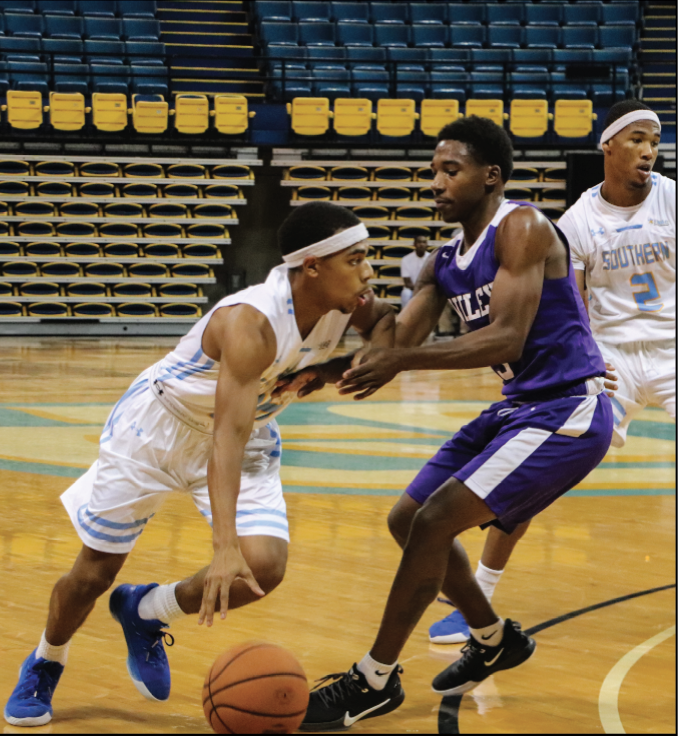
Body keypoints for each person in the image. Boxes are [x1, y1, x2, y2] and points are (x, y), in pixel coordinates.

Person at [3, 201, 395, 728]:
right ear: (312, 267)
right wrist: (223, 545)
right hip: (159, 430)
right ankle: (46, 660)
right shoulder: (250, 322)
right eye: (356, 259)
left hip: (249, 428)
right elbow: (224, 436)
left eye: (366, 258)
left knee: (264, 568)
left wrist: (351, 366)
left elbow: (389, 325)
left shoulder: (351, 301)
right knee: (94, 571)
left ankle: (146, 609)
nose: (368, 271)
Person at [299, 116, 613, 732]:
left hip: (566, 409)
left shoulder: (520, 227)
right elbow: (395, 343)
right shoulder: (444, 260)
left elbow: (505, 335)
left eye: (451, 170)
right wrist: (348, 315)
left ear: (490, 176)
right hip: (519, 405)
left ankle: (373, 680)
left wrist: (399, 356)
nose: (437, 183)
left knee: (436, 520)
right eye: (434, 171)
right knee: (405, 519)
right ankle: (494, 639)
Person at [428, 99, 675, 645]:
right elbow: (574, 304)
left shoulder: (674, 199)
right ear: (608, 145)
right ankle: (481, 593)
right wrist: (586, 362)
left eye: (654, 142)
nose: (649, 151)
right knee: (540, 464)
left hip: (674, 349)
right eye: (637, 139)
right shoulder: (576, 222)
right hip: (610, 358)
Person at [400, 235, 430, 309]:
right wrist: (418, 290)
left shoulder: (431, 258)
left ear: (427, 245)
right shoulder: (406, 259)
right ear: (414, 244)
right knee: (406, 294)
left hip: (427, 288)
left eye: (424, 242)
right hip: (411, 289)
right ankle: (405, 319)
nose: (421, 244)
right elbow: (407, 282)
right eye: (419, 242)